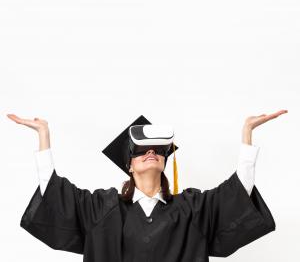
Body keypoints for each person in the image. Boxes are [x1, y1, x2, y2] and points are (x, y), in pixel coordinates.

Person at [8, 110, 287, 262]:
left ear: (165, 160)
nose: (150, 152)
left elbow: (237, 194)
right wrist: (44, 138)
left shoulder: (192, 208)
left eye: (157, 150)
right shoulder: (103, 208)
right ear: (129, 164)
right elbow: (55, 195)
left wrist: (247, 138)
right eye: (141, 150)